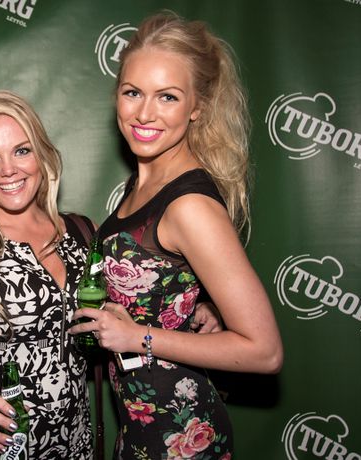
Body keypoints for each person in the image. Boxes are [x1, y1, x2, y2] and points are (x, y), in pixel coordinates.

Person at [0, 90, 222, 459]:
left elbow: (133, 306)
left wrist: (197, 305)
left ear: (41, 154)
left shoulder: (82, 232)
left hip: (77, 445)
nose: (8, 169)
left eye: (21, 150)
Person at [69, 12, 284, 459]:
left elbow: (264, 352)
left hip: (182, 439)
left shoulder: (189, 205)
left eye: (167, 96)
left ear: (197, 107)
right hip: (142, 428)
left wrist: (137, 338)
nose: (144, 113)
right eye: (132, 92)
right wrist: (196, 303)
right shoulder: (146, 180)